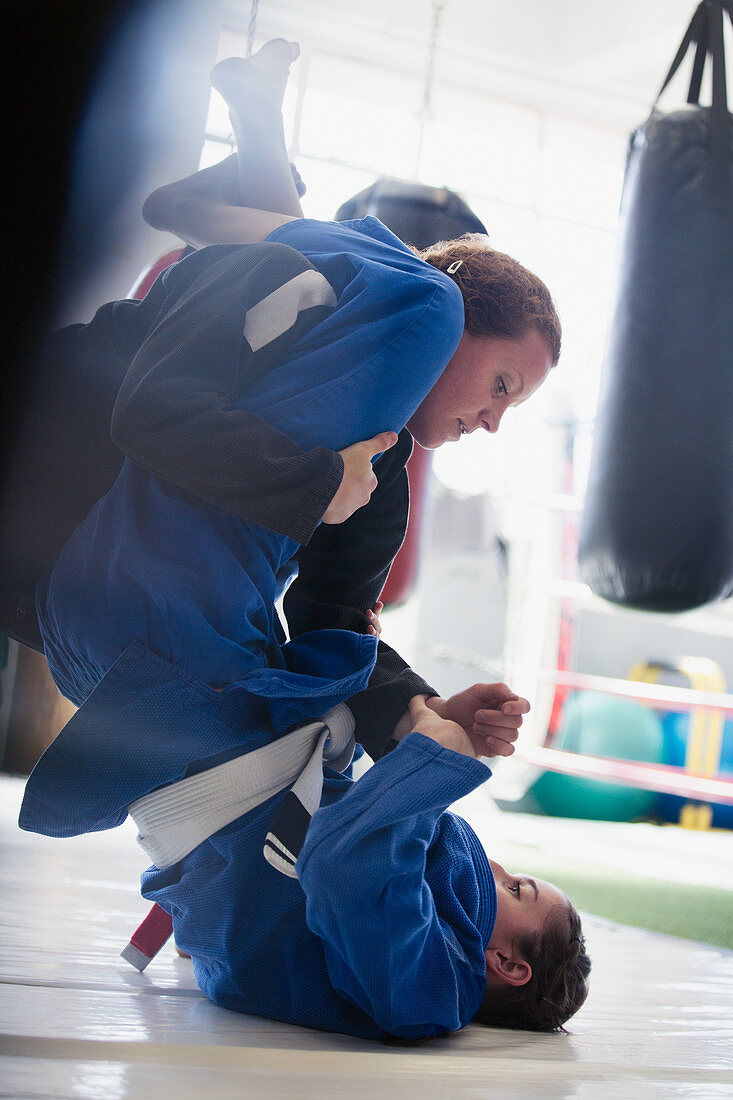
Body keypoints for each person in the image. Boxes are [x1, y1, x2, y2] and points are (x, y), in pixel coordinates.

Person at [19, 40, 589, 1038]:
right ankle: (254, 172)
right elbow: (156, 410)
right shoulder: (357, 320)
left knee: (347, 287)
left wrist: (416, 709)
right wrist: (314, 479)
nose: (493, 422)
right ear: (457, 340)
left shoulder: (379, 485)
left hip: (112, 592)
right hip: (69, 444)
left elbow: (330, 620)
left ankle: (254, 170)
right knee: (364, 282)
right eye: (500, 384)